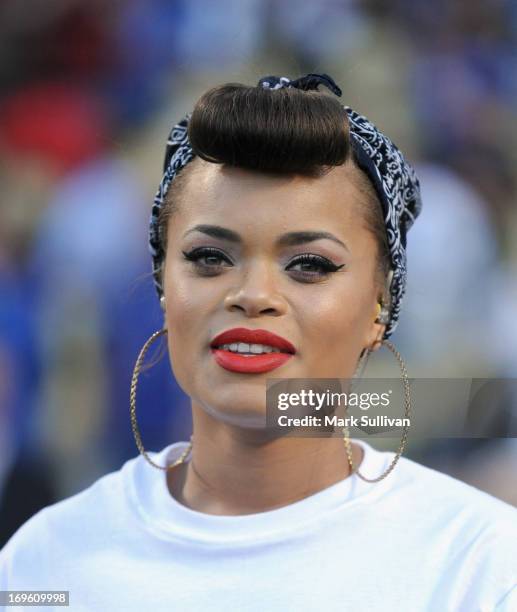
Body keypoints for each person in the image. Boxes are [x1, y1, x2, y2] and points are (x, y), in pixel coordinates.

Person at [1, 73, 516, 612]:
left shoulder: (480, 568)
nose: (253, 295)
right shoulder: (45, 564)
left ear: (379, 306)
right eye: (209, 258)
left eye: (309, 265)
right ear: (162, 286)